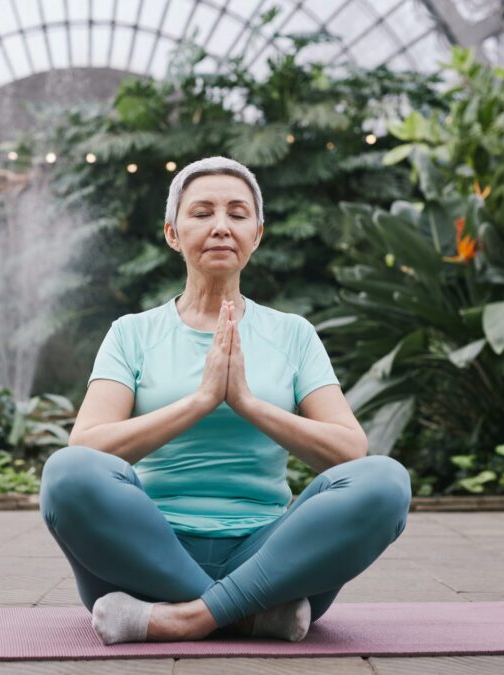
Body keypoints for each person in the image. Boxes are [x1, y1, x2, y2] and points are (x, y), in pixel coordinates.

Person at [40, 156, 411, 645]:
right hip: (144, 552)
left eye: (237, 214)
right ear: (173, 233)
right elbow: (88, 445)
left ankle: (185, 618)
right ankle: (247, 616)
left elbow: (348, 451)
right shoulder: (131, 334)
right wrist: (200, 401)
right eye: (202, 213)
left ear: (256, 234)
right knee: (67, 473)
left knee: (385, 481)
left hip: (272, 558)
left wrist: (247, 402)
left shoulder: (293, 334)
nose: (220, 226)